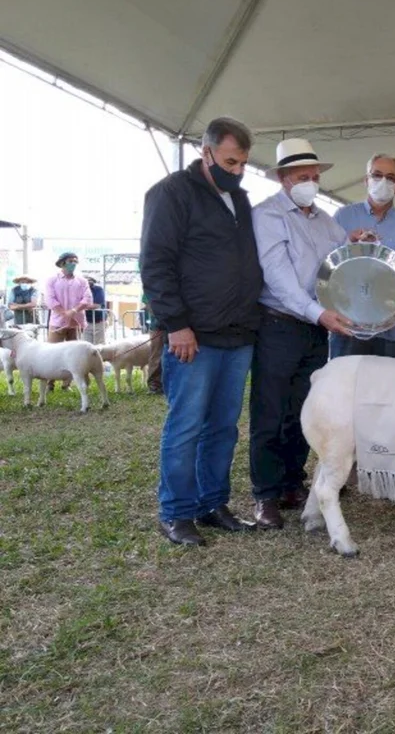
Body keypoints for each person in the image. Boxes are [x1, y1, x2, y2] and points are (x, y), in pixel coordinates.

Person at [141, 116, 263, 546]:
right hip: (193, 335)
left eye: (243, 164)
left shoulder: (241, 200)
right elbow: (155, 264)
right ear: (205, 152)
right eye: (230, 162)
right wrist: (176, 325)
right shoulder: (171, 194)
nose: (237, 171)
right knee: (186, 426)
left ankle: (213, 503)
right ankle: (175, 512)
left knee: (224, 426)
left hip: (237, 333)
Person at [248, 138, 350, 530]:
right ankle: (266, 494)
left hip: (314, 329)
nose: (310, 182)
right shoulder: (269, 216)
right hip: (278, 324)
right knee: (270, 410)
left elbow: (342, 260)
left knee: (303, 409)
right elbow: (279, 278)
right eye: (301, 177)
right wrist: (317, 313)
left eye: (314, 176)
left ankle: (293, 481)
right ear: (283, 178)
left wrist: (356, 244)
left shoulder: (327, 222)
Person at [331, 153, 395, 359]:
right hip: (348, 327)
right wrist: (349, 243)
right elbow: (329, 266)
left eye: (391, 178)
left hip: (391, 331)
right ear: (366, 180)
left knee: (388, 390)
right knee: (343, 388)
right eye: (377, 175)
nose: (383, 182)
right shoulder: (343, 217)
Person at [45, 252, 89, 343]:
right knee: (53, 352)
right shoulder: (52, 280)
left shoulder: (82, 281)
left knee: (75, 353)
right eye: (70, 261)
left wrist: (73, 311)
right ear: (62, 263)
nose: (73, 263)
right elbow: (50, 300)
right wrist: (66, 314)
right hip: (58, 322)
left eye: (75, 261)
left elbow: (87, 299)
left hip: (77, 322)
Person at [141, 293, 164, 395]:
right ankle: (154, 384)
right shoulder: (152, 283)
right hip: (158, 326)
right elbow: (149, 306)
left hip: (180, 327)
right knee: (157, 355)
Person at [82, 277, 107, 345]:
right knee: (86, 345)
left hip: (99, 321)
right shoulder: (80, 290)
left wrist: (80, 307)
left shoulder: (98, 289)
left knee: (100, 345)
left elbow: (97, 305)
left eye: (89, 280)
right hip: (85, 322)